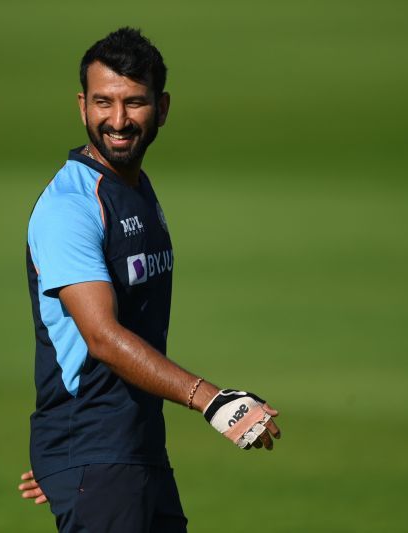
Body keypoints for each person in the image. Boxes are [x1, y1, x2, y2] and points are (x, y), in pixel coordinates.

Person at [17, 27, 281, 533]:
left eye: (134, 103)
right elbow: (101, 335)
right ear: (82, 106)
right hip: (101, 451)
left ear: (161, 108)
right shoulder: (71, 207)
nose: (117, 121)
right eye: (103, 102)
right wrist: (210, 399)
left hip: (126, 451)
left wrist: (71, 461)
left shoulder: (133, 187)